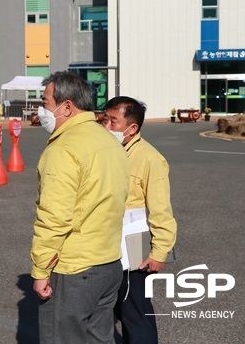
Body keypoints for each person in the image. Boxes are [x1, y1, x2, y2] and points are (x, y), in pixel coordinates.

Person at [31, 71, 130, 344]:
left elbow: (54, 219)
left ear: (66, 107)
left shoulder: (63, 149)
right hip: (109, 262)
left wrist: (40, 271)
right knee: (100, 337)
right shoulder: (110, 141)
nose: (42, 109)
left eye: (46, 102)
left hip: (74, 268)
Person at [103, 97, 177, 344]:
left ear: (132, 128)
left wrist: (159, 252)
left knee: (134, 309)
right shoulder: (108, 150)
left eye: (113, 121)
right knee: (112, 306)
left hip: (134, 245)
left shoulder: (149, 158)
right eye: (105, 118)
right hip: (106, 244)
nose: (107, 126)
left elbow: (161, 210)